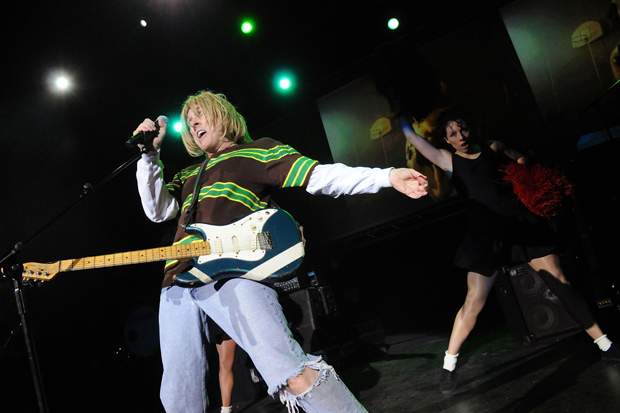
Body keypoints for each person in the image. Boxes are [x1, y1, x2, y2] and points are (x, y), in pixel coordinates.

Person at [133, 90, 429, 413]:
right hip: (176, 282)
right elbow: (158, 211)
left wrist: (386, 176)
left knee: (287, 371)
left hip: (233, 276)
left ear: (223, 116)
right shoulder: (188, 175)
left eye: (200, 114)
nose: (193, 123)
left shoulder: (258, 152)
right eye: (189, 121)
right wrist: (149, 156)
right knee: (178, 397)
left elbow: (320, 176)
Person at [399, 107, 620, 394]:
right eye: (453, 133)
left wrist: (523, 166)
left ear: (471, 128)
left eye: (463, 128)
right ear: (447, 139)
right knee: (474, 301)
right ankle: (448, 366)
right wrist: (401, 115)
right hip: (486, 234)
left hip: (519, 224)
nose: (461, 136)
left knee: (560, 283)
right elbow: (413, 137)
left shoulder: (493, 148)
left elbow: (519, 157)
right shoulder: (447, 160)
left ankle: (605, 344)